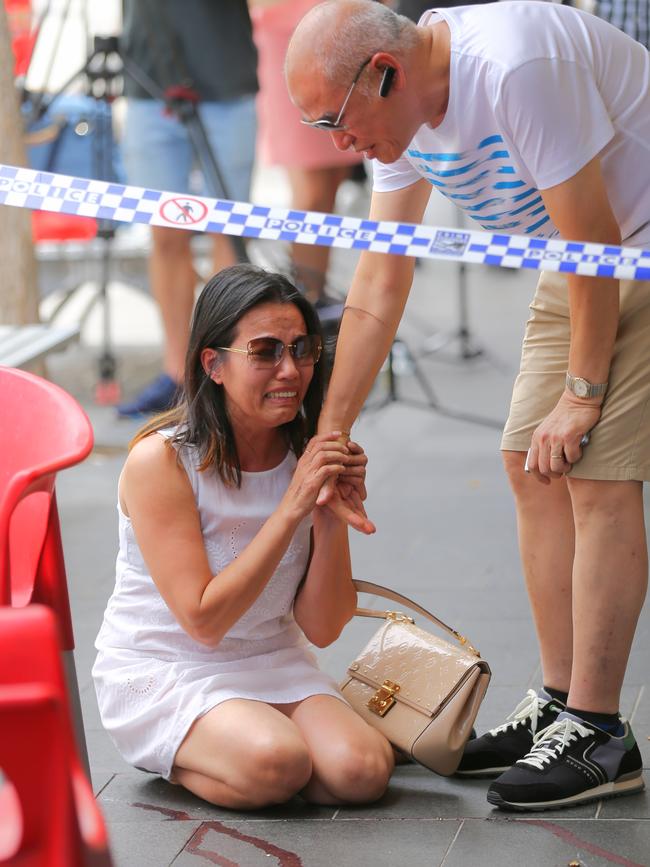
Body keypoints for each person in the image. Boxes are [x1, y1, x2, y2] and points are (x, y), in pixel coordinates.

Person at [285, 0, 649, 811]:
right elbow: (382, 277)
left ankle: (600, 730)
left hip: (633, 246)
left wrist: (583, 397)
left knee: (592, 471)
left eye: (336, 122)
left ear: (385, 72)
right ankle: (559, 703)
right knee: (528, 465)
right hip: (585, 253)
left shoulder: (512, 66)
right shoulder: (399, 113)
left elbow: (594, 243)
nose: (339, 147)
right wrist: (331, 434)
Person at [93, 264, 392, 809]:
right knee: (278, 762)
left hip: (272, 657)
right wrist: (293, 506)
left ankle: (256, 752)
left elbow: (323, 629)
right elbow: (204, 622)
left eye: (302, 349)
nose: (290, 369)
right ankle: (175, 753)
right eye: (265, 352)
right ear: (214, 364)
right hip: (168, 667)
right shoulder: (160, 461)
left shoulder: (305, 451)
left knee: (363, 771)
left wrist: (328, 513)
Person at [116, 0, 258, 418]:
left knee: (228, 233)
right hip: (148, 80)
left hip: (226, 78)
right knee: (164, 235)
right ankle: (177, 372)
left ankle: (226, 369)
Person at [250, 0, 364, 309]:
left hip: (340, 30)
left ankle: (315, 295)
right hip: (285, 33)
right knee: (311, 190)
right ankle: (301, 300)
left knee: (331, 182)